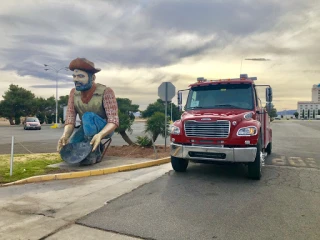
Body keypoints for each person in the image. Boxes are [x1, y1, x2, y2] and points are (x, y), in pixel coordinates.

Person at [57, 58, 119, 165]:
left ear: (92, 77)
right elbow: (70, 119)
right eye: (74, 76)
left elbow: (113, 120)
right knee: (71, 148)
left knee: (87, 116)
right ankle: (95, 148)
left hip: (103, 128)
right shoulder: (73, 93)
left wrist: (100, 134)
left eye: (81, 76)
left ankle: (95, 152)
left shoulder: (105, 91)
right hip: (86, 128)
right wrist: (65, 135)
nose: (76, 80)